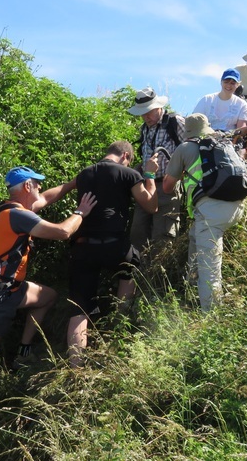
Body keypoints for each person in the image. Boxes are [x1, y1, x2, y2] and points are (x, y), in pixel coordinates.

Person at [0, 166, 97, 408]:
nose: (40, 188)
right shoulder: (18, 216)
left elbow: (45, 198)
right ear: (27, 187)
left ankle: (23, 353)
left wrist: (72, 184)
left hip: (12, 289)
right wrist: (81, 212)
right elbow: (63, 232)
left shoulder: (10, 209)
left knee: (48, 297)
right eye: (37, 183)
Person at [66, 141, 159, 367]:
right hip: (116, 245)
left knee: (79, 308)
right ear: (126, 156)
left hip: (84, 246)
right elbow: (151, 206)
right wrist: (149, 175)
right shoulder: (128, 174)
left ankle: (75, 368)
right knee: (129, 270)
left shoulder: (85, 174)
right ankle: (118, 331)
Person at [163, 114, 245, 312]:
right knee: (194, 237)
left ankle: (211, 318)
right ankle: (191, 289)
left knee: (210, 268)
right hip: (236, 206)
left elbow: (167, 187)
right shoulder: (221, 142)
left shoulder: (184, 148)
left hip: (212, 213)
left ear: (188, 131)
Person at [127, 87, 186, 253]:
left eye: (149, 111)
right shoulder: (145, 128)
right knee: (137, 233)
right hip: (146, 186)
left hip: (168, 186)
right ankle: (138, 274)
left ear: (158, 107)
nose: (146, 116)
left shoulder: (176, 122)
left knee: (163, 237)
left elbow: (192, 149)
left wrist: (179, 174)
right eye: (143, 113)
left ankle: (158, 277)